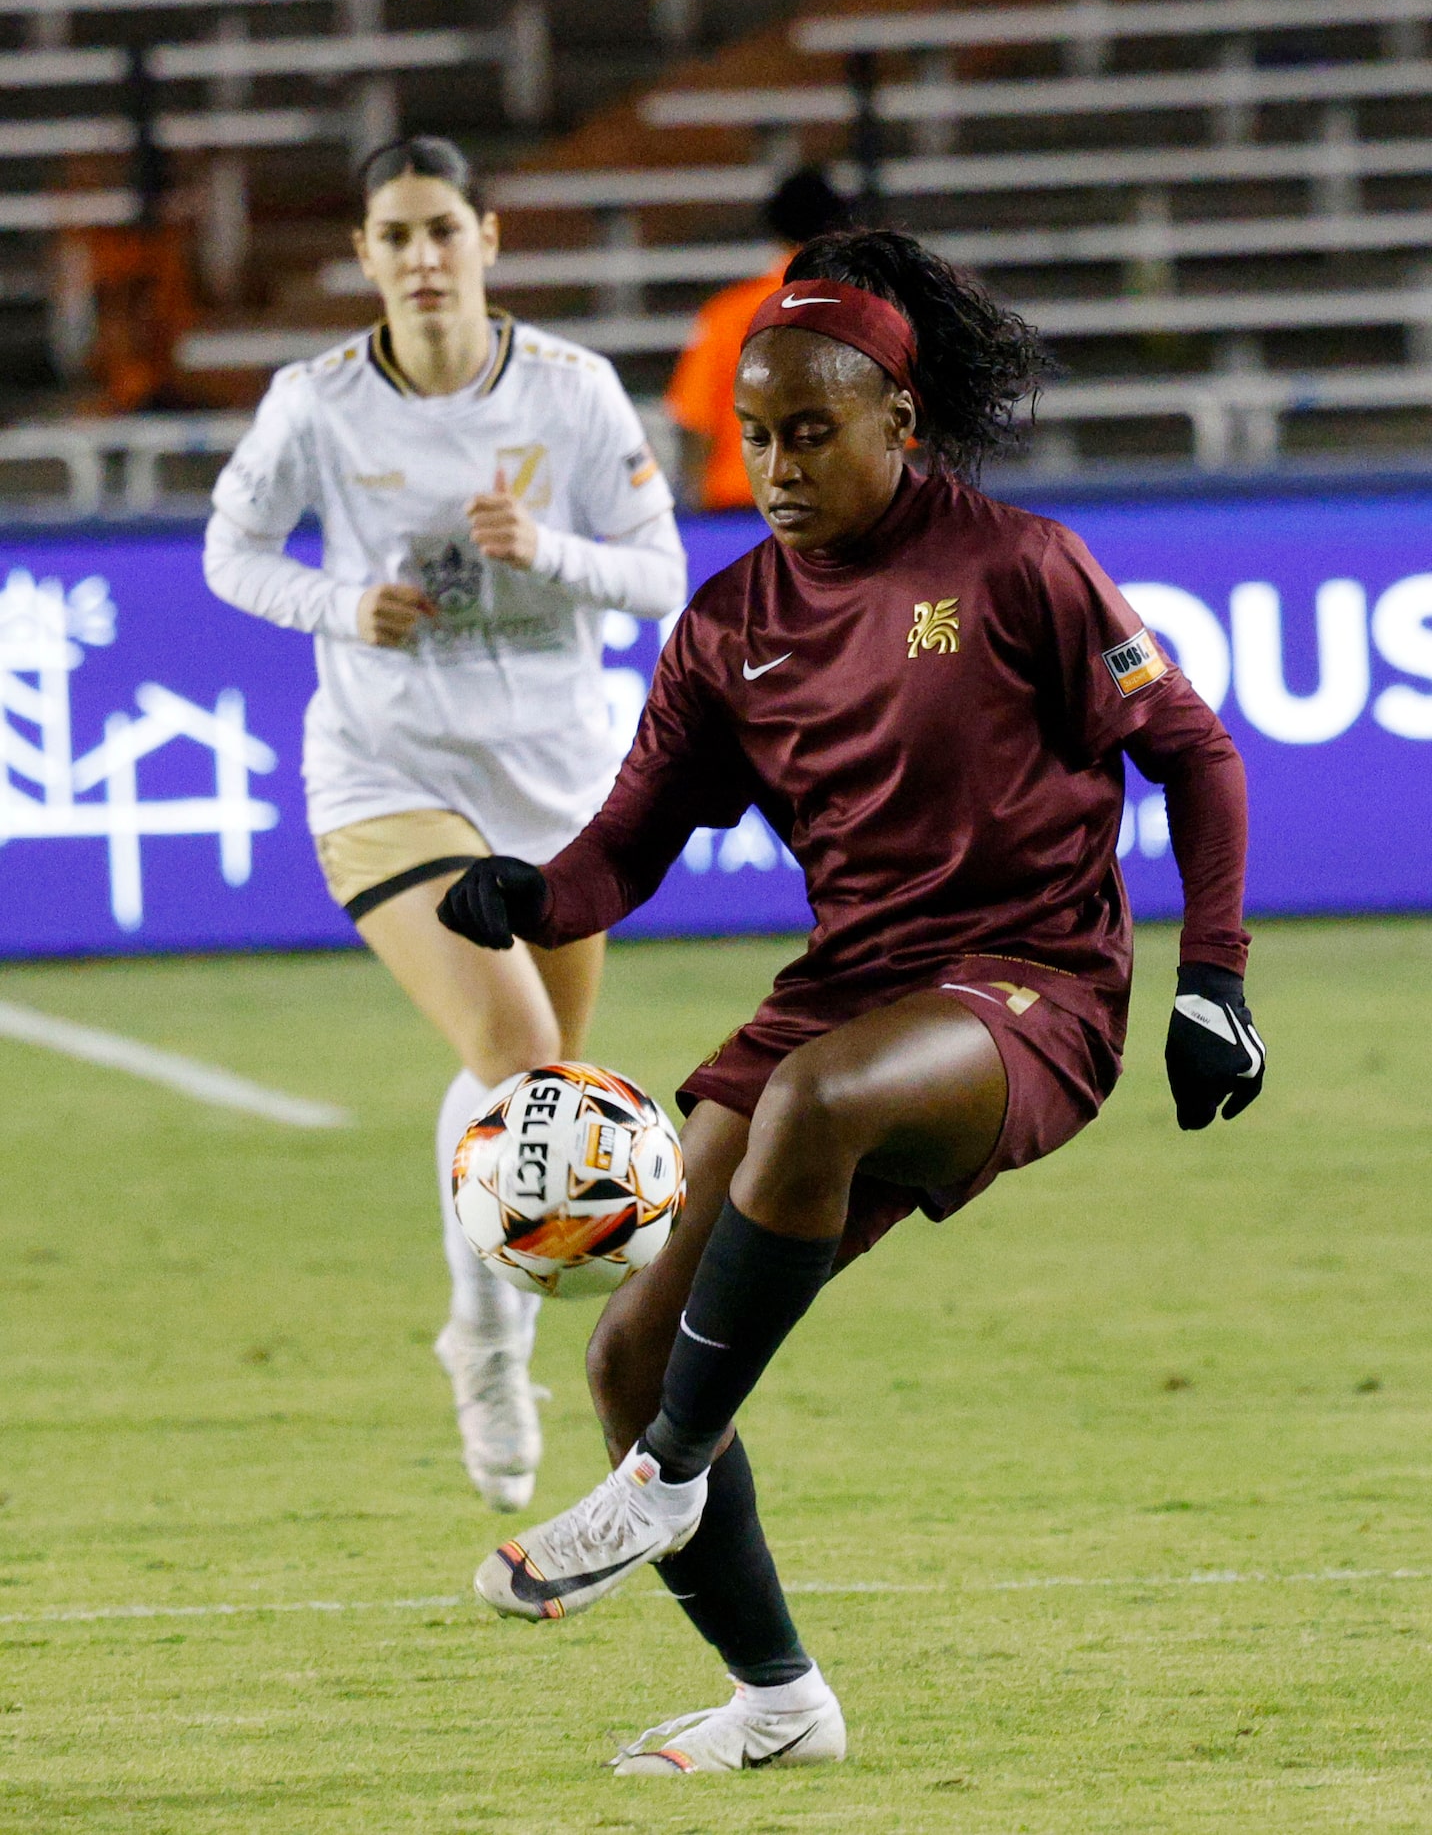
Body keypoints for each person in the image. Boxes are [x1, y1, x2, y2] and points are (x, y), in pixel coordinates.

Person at [438, 230, 1266, 1773]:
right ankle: (778, 1700)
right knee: (624, 1352)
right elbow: (630, 839)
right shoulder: (729, 621)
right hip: (855, 984)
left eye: (811, 429)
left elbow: (1198, 759)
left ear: (900, 416)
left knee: (807, 1114)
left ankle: (667, 1476)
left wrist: (1213, 980)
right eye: (756, 434)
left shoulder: (1021, 567)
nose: (775, 463)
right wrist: (531, 896)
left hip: (1034, 982)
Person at [203, 136, 686, 1513]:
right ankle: (486, 1347)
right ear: (365, 256)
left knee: (532, 1091)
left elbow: (660, 575)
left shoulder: (571, 391)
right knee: (520, 1050)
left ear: (489, 238)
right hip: (381, 767)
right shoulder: (318, 403)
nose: (421, 259)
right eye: (394, 237)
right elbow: (231, 553)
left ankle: (484, 1322)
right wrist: (341, 606)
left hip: (555, 784)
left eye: (441, 232)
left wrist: (547, 553)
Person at [665, 165, 852, 512]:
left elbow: (696, 423)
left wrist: (695, 512)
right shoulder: (862, 315)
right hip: (833, 511)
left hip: (739, 506)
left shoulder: (724, 314)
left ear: (774, 227)